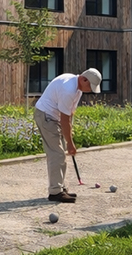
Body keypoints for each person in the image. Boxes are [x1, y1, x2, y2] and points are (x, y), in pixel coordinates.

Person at [34, 68, 102, 203]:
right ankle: (55, 192)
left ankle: (61, 188)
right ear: (84, 79)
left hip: (54, 116)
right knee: (57, 154)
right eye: (90, 86)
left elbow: (69, 114)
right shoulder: (68, 89)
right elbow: (64, 119)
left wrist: (69, 135)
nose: (91, 90)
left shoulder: (78, 88)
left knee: (61, 153)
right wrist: (70, 143)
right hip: (46, 116)